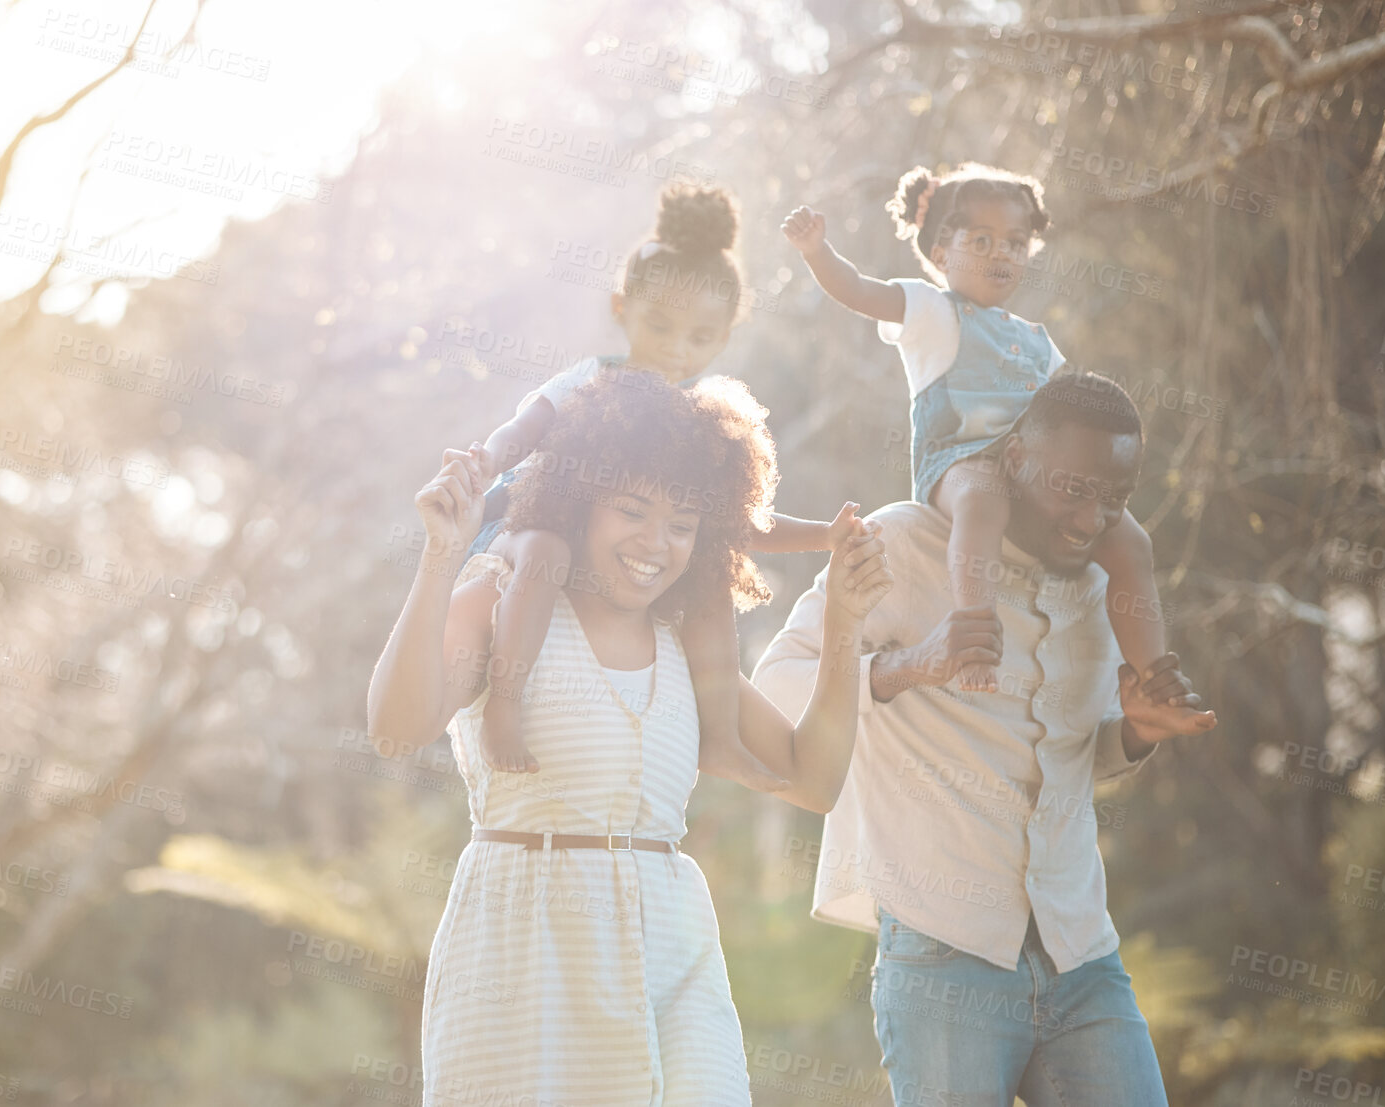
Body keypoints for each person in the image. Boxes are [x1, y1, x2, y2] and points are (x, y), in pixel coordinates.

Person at [367, 374, 892, 1105]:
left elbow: (812, 778)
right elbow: (396, 729)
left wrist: (846, 621)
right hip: (527, 957)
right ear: (580, 499)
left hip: (673, 953)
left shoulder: (684, 646)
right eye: (633, 511)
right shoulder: (501, 595)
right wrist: (440, 557)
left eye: (683, 522)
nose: (657, 543)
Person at [752, 372, 1218, 1107]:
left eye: (1114, 499)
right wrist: (908, 666)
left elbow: (1068, 755)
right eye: (1071, 487)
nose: (1090, 518)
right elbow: (773, 686)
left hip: (1081, 955)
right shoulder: (903, 541)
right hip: (943, 958)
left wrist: (1135, 733)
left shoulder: (1103, 588)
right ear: (1012, 461)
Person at [469, 184, 855, 791]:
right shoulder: (592, 378)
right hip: (526, 525)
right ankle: (503, 706)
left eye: (700, 338)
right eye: (660, 325)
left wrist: (825, 537)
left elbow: (737, 520)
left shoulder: (695, 419)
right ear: (622, 305)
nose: (677, 349)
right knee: (545, 552)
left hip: (613, 557)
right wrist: (481, 462)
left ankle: (721, 740)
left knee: (710, 577)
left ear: (728, 334)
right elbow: (523, 430)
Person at [783, 164, 1202, 721]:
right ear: (939, 251)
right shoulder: (932, 311)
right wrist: (817, 251)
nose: (1000, 253)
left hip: (1026, 469)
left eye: (1015, 242)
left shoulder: (1034, 339)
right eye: (981, 240)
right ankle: (976, 635)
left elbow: (1067, 416)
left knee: (1130, 540)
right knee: (983, 501)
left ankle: (1154, 678)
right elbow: (859, 291)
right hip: (958, 462)